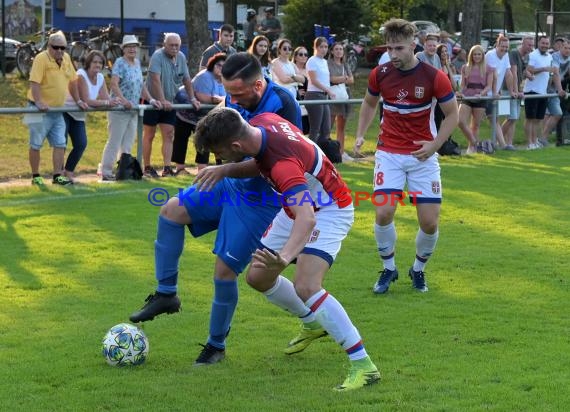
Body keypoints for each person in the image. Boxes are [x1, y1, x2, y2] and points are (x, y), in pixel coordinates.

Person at [129, 52, 302, 367]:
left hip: (260, 199)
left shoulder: (284, 106)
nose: (231, 100)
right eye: (228, 93)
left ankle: (215, 346)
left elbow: (278, 164)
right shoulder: (233, 97)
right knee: (170, 212)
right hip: (229, 183)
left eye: (237, 94)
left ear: (259, 85)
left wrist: (222, 170)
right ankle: (167, 294)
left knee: (224, 272)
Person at [193, 106, 381, 391]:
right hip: (295, 206)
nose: (218, 158)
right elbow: (261, 161)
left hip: (329, 209)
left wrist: (283, 258)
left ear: (235, 144)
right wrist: (227, 169)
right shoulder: (261, 123)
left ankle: (363, 365)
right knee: (257, 277)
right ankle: (312, 322)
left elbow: (307, 218)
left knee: (306, 284)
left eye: (220, 153)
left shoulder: (283, 165)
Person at [354, 18, 458, 294]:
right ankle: (388, 268)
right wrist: (361, 134)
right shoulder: (381, 73)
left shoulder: (435, 76)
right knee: (384, 211)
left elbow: (452, 115)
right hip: (389, 152)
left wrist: (434, 145)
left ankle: (418, 270)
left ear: (414, 45)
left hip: (423, 156)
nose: (393, 54)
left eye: (399, 48)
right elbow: (368, 103)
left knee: (429, 221)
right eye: (389, 48)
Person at [101, 34, 159, 181]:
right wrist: (123, 100)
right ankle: (106, 172)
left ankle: (124, 171)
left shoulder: (138, 63)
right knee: (114, 141)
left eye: (134, 46)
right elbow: (114, 84)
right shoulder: (120, 62)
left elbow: (141, 86)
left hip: (133, 109)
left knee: (128, 143)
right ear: (123, 49)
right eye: (129, 46)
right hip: (120, 109)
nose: (132, 49)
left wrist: (151, 99)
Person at [143, 33, 200, 178]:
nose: (174, 48)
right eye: (171, 45)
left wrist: (192, 98)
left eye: (177, 45)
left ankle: (167, 168)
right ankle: (147, 167)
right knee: (149, 135)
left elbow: (187, 79)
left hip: (170, 102)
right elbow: (155, 80)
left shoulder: (181, 57)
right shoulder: (157, 56)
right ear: (164, 45)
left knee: (169, 135)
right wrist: (161, 100)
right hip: (153, 102)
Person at [26, 30, 78, 186]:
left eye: (63, 48)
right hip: (38, 109)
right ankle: (36, 176)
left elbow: (73, 81)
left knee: (60, 144)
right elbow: (34, 82)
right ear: (49, 46)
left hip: (57, 110)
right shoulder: (41, 58)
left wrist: (79, 100)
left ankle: (57, 175)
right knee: (36, 144)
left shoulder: (67, 58)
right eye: (56, 47)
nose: (59, 51)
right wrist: (39, 101)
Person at [62, 50, 119, 183]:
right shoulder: (81, 74)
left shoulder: (100, 78)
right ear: (88, 63)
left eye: (100, 62)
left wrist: (114, 102)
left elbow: (105, 98)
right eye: (95, 62)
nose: (97, 65)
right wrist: (107, 102)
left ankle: (68, 171)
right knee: (61, 144)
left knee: (81, 144)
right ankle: (59, 174)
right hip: (65, 111)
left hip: (79, 115)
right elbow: (87, 100)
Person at [172, 53, 227, 174]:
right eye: (219, 65)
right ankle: (180, 168)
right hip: (185, 110)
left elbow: (226, 97)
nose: (221, 68)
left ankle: (202, 168)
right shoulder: (205, 76)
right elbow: (201, 97)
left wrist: (218, 99)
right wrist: (216, 99)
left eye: (225, 66)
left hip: (203, 114)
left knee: (204, 139)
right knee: (181, 138)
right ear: (212, 65)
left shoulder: (225, 79)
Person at [523, 36, 565, 150]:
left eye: (547, 44)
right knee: (530, 118)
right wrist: (543, 69)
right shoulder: (533, 55)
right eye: (543, 43)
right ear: (538, 43)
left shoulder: (549, 57)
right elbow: (529, 70)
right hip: (531, 91)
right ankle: (529, 143)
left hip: (543, 92)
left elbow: (552, 74)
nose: (545, 45)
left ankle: (535, 141)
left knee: (537, 119)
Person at [458, 45, 494, 154]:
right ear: (471, 55)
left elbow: (489, 86)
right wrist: (461, 92)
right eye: (475, 54)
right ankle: (475, 143)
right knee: (460, 121)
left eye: (479, 54)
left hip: (480, 98)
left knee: (475, 125)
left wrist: (481, 93)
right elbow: (463, 84)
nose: (477, 56)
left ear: (482, 55)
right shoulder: (465, 67)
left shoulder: (488, 68)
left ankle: (471, 148)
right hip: (467, 97)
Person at [500, 36, 533, 151]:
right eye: (529, 45)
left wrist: (530, 76)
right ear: (523, 44)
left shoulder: (526, 57)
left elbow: (522, 70)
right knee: (512, 117)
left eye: (532, 45)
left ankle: (509, 143)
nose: (531, 47)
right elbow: (513, 72)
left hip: (516, 90)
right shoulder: (514, 53)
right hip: (508, 89)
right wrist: (515, 91)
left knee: (514, 118)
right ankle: (498, 141)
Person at [485, 34, 517, 149]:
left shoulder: (506, 55)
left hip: (495, 93)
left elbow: (508, 74)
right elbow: (492, 75)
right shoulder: (490, 55)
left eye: (506, 47)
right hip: (486, 92)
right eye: (502, 46)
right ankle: (501, 145)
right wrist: (494, 92)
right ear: (497, 45)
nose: (504, 49)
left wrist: (512, 91)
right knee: (492, 119)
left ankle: (502, 145)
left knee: (495, 119)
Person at [328, 41, 354, 161]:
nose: (339, 51)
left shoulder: (345, 64)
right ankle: (326, 152)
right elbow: (330, 79)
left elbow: (351, 80)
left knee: (341, 127)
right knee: (328, 126)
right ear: (332, 51)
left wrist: (340, 79)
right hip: (332, 97)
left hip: (343, 96)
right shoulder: (328, 63)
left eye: (341, 49)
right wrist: (343, 78)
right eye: (336, 49)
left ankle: (341, 152)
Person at [542, 38, 570, 146]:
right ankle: (541, 139)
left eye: (569, 48)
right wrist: (560, 90)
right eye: (565, 48)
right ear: (560, 47)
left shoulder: (569, 58)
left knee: (554, 114)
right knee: (549, 114)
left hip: (554, 90)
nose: (568, 50)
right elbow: (555, 74)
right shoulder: (555, 56)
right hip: (547, 88)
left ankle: (542, 138)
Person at [305, 36, 333, 143]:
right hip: (314, 94)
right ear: (316, 47)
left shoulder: (325, 62)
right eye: (321, 47)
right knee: (315, 128)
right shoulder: (312, 60)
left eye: (326, 47)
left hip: (324, 95)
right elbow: (314, 80)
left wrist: (328, 90)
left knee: (326, 128)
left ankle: (323, 152)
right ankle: (311, 153)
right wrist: (329, 90)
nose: (324, 49)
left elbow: (325, 79)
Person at [292, 46, 310, 134]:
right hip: (296, 102)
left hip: (308, 102)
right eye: (301, 54)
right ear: (295, 57)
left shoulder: (309, 70)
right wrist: (296, 93)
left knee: (308, 129)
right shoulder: (291, 68)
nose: (304, 56)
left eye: (306, 54)